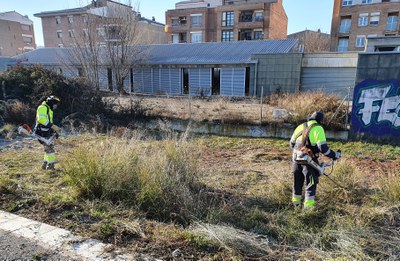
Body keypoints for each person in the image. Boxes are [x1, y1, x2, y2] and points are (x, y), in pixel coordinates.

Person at [289, 111, 341, 209]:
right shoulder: (318, 128)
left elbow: (291, 144)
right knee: (311, 183)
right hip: (309, 161)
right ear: (320, 121)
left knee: (297, 182)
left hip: (296, 159)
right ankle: (308, 209)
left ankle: (295, 205)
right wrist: (335, 155)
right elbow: (324, 149)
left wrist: (300, 150)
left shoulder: (300, 126)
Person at [34, 95, 61, 170]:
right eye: (55, 104)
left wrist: (54, 131)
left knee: (47, 148)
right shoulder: (43, 107)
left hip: (45, 132)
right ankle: (50, 166)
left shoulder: (49, 109)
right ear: (51, 102)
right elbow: (41, 119)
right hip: (41, 132)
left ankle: (44, 164)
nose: (56, 106)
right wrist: (53, 126)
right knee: (50, 149)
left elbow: (49, 122)